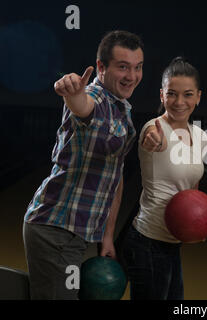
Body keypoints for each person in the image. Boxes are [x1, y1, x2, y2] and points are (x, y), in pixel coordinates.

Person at [23, 30, 144, 299]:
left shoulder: (122, 108)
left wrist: (108, 235)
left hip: (74, 234)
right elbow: (83, 107)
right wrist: (72, 94)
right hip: (54, 232)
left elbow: (116, 175)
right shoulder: (95, 96)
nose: (132, 76)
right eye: (123, 67)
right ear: (101, 67)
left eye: (137, 67)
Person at [122, 57, 207, 300]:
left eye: (188, 94)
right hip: (147, 241)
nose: (179, 102)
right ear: (162, 95)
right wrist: (153, 141)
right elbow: (153, 140)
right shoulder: (154, 128)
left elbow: (193, 192)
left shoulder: (201, 136)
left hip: (172, 242)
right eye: (171, 94)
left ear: (198, 96)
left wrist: (198, 222)